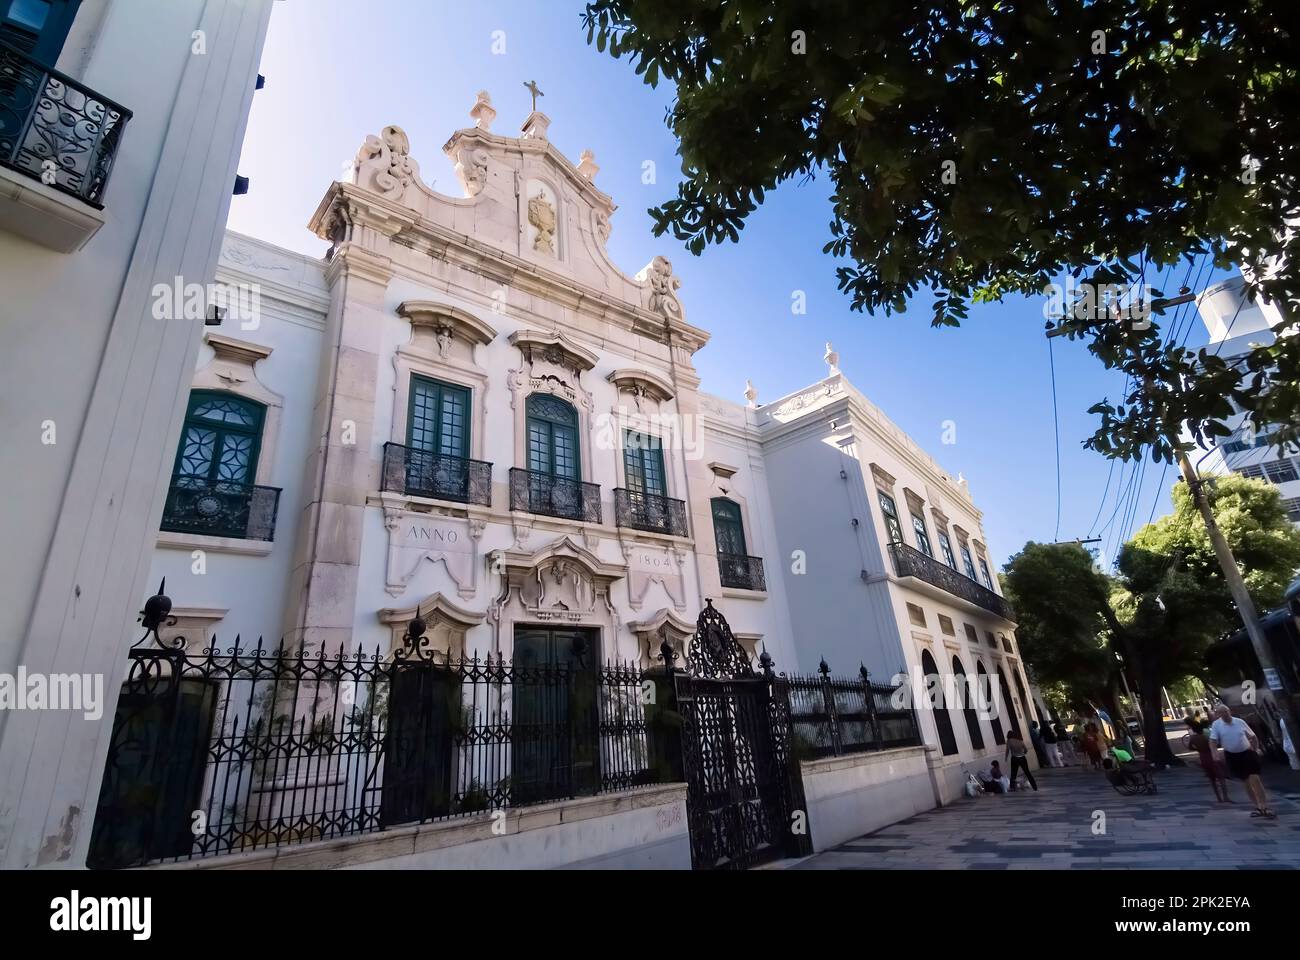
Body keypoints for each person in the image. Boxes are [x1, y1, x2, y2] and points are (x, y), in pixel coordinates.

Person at [1208, 705, 1275, 819]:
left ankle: (1264, 806)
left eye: (1226, 712)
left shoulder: (1239, 722)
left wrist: (1256, 749)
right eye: (1221, 713)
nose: (1224, 715)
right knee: (1246, 781)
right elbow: (1213, 740)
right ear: (1218, 715)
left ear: (1229, 711)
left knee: (1255, 778)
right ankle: (1257, 806)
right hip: (1232, 755)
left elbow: (1253, 736)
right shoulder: (1217, 725)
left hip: (1247, 753)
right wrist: (1214, 753)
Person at [1185, 717, 1231, 803]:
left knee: (1212, 779)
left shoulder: (1193, 738)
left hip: (1203, 758)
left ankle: (1219, 798)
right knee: (1221, 778)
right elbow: (1215, 745)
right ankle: (1225, 797)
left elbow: (1190, 747)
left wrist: (1198, 749)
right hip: (1212, 756)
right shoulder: (1205, 737)